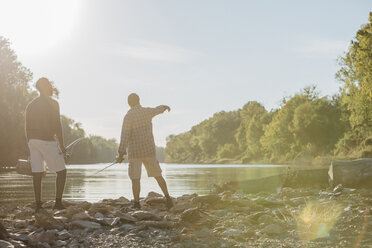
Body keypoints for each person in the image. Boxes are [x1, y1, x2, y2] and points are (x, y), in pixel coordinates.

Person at [116, 93, 173, 209]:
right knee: (158, 175)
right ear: (139, 100)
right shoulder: (147, 111)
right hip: (149, 151)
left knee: (135, 178)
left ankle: (137, 203)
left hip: (135, 152)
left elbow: (125, 136)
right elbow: (158, 110)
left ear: (128, 103)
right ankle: (168, 198)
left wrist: (121, 154)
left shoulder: (128, 116)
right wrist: (165, 107)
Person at [25, 78, 67, 212]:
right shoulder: (53, 103)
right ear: (46, 87)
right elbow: (57, 126)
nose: (51, 86)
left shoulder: (30, 105)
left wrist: (29, 145)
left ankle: (38, 205)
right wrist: (62, 146)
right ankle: (58, 203)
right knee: (62, 172)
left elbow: (26, 127)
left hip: (32, 141)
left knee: (37, 173)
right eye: (49, 84)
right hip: (46, 140)